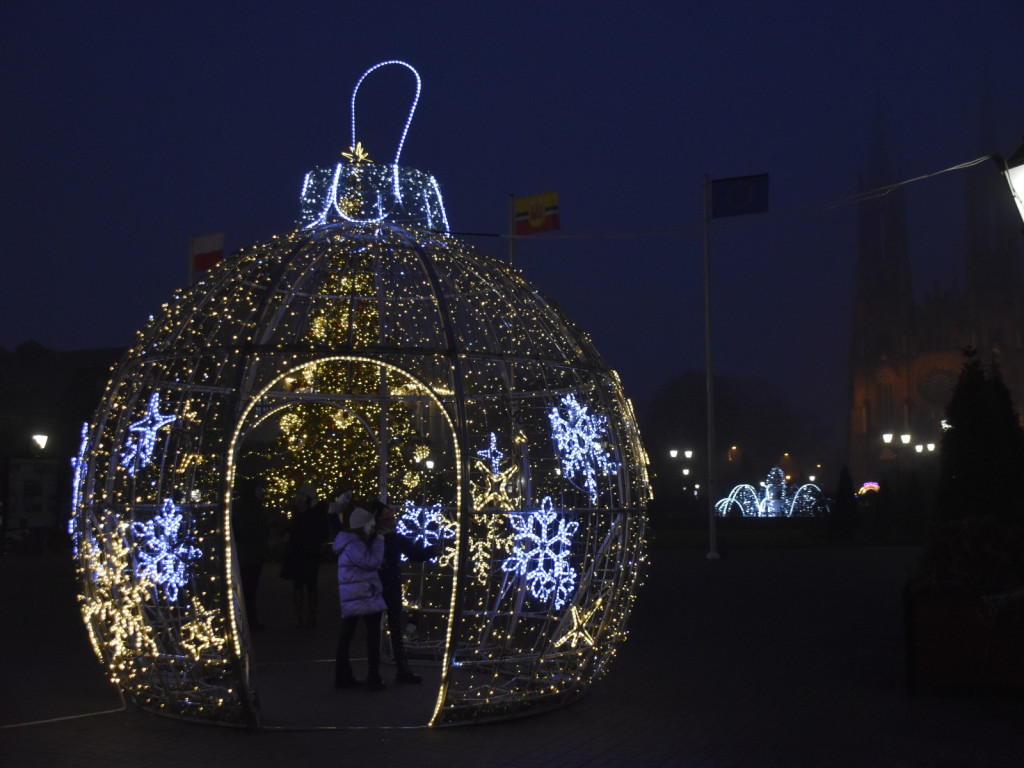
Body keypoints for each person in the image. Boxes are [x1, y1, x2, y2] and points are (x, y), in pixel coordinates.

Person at [372, 499, 433, 684]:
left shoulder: (394, 538)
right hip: (376, 587)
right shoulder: (373, 538)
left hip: (389, 586)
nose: (392, 523)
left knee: (394, 629)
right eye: (388, 520)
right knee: (376, 630)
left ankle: (400, 668)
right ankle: (376, 672)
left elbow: (416, 554)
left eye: (393, 519)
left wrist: (433, 550)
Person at [332, 505, 387, 691]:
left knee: (347, 635)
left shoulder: (348, 543)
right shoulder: (355, 544)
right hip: (364, 594)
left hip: (355, 595)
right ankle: (371, 676)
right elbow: (372, 562)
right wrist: (379, 541)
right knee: (371, 636)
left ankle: (343, 675)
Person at [280, 483, 329, 628]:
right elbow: (293, 527)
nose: (299, 498)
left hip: (309, 552)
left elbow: (321, 532)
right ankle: (300, 616)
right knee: (298, 585)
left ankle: (311, 616)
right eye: (299, 495)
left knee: (310, 585)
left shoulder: (316, 512)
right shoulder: (299, 511)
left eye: (302, 495)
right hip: (297, 552)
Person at [232, 479, 270, 630]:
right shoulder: (248, 508)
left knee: (250, 588)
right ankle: (249, 620)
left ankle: (249, 619)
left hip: (252, 553)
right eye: (260, 489)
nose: (263, 493)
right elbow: (248, 530)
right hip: (249, 554)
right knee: (248, 588)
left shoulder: (251, 507)